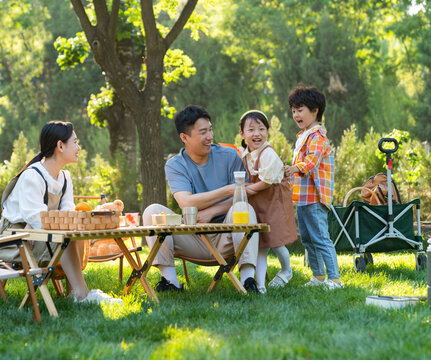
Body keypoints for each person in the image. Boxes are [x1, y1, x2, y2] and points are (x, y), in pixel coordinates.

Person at [0, 121, 123, 305]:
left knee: (71, 232)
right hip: (14, 239)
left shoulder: (64, 177)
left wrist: (42, 222)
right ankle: (81, 295)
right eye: (76, 143)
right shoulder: (32, 175)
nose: (79, 148)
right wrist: (36, 222)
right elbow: (34, 217)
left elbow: (66, 213)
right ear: (60, 146)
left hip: (41, 233)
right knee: (66, 233)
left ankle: (76, 293)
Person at [143, 105, 260, 293]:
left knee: (244, 209)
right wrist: (228, 189)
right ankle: (171, 282)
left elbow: (244, 195)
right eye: (203, 132)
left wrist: (212, 211)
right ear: (184, 138)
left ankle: (248, 281)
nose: (210, 136)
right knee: (152, 211)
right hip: (193, 238)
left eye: (211, 129)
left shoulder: (229, 156)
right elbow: (186, 202)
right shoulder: (175, 165)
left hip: (228, 235)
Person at [284, 85, 343, 289]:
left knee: (321, 238)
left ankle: (334, 279)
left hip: (315, 198)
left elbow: (311, 163)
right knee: (308, 240)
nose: (295, 114)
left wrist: (293, 169)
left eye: (300, 110)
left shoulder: (317, 136)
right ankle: (318, 277)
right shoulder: (303, 135)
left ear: (315, 110)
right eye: (293, 111)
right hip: (302, 198)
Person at [238, 110, 298, 294]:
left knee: (277, 241)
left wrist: (244, 190)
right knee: (261, 245)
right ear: (242, 133)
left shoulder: (268, 154)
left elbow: (265, 183)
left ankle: (287, 270)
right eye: (251, 129)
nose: (257, 134)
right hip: (259, 203)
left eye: (261, 129)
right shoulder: (245, 153)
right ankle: (261, 287)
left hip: (274, 201)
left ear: (267, 132)